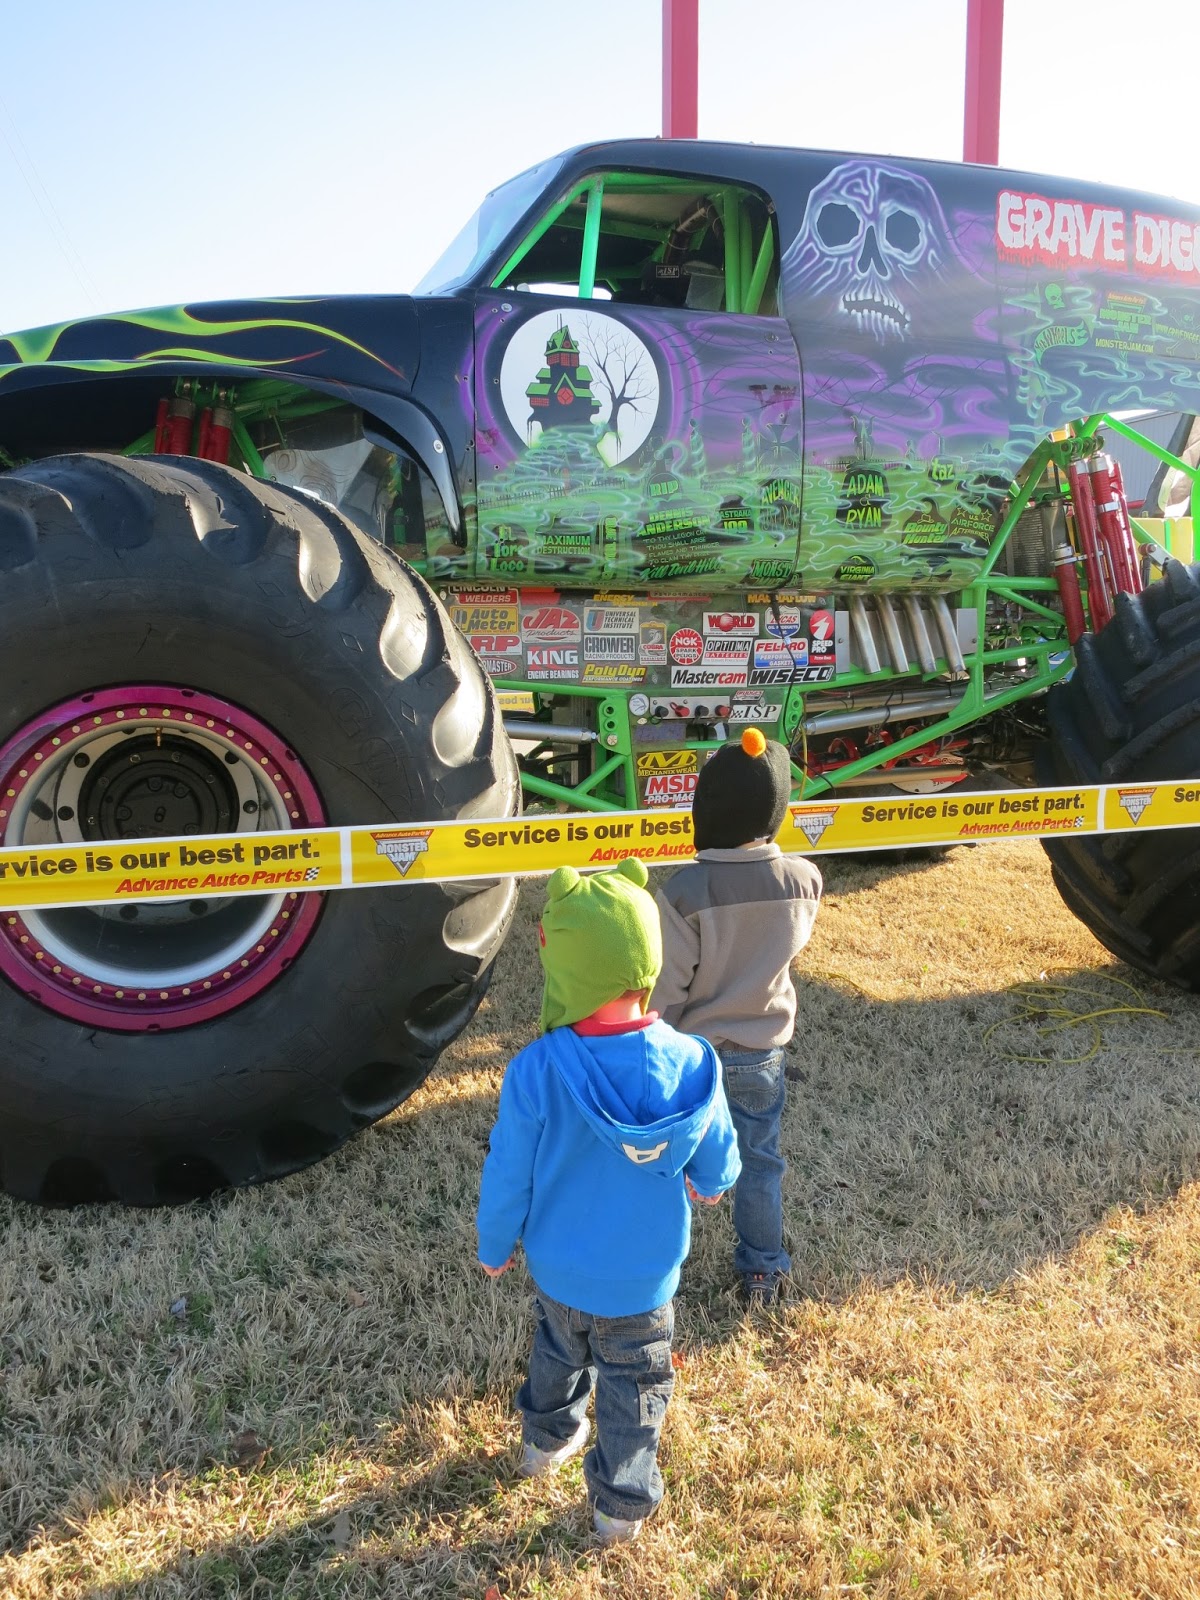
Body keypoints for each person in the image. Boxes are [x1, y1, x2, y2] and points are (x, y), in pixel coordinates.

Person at [477, 857, 741, 1545]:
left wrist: (495, 1243)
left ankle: (543, 1443)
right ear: (646, 959)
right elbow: (718, 1151)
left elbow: (510, 1172)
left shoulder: (535, 1068)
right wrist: (711, 1184)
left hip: (560, 1269)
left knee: (557, 1352)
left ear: (567, 970)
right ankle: (619, 1508)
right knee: (634, 1386)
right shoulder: (691, 1061)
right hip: (644, 1280)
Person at [650, 728, 823, 1307]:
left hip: (691, 1056)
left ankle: (655, 1265)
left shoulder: (686, 889)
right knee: (760, 1161)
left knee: (669, 1163)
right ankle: (763, 1269)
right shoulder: (803, 881)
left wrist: (651, 1032)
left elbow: (669, 983)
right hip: (761, 1054)